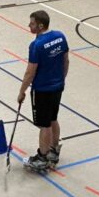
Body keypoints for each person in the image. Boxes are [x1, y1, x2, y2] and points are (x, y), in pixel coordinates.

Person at [17, 10, 68, 171]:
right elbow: (65, 61)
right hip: (58, 87)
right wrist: (61, 79)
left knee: (44, 124)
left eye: (31, 23)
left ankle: (42, 157)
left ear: (40, 25)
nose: (29, 26)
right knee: (53, 118)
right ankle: (54, 150)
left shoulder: (36, 45)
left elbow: (30, 72)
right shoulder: (60, 36)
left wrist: (22, 91)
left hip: (42, 90)